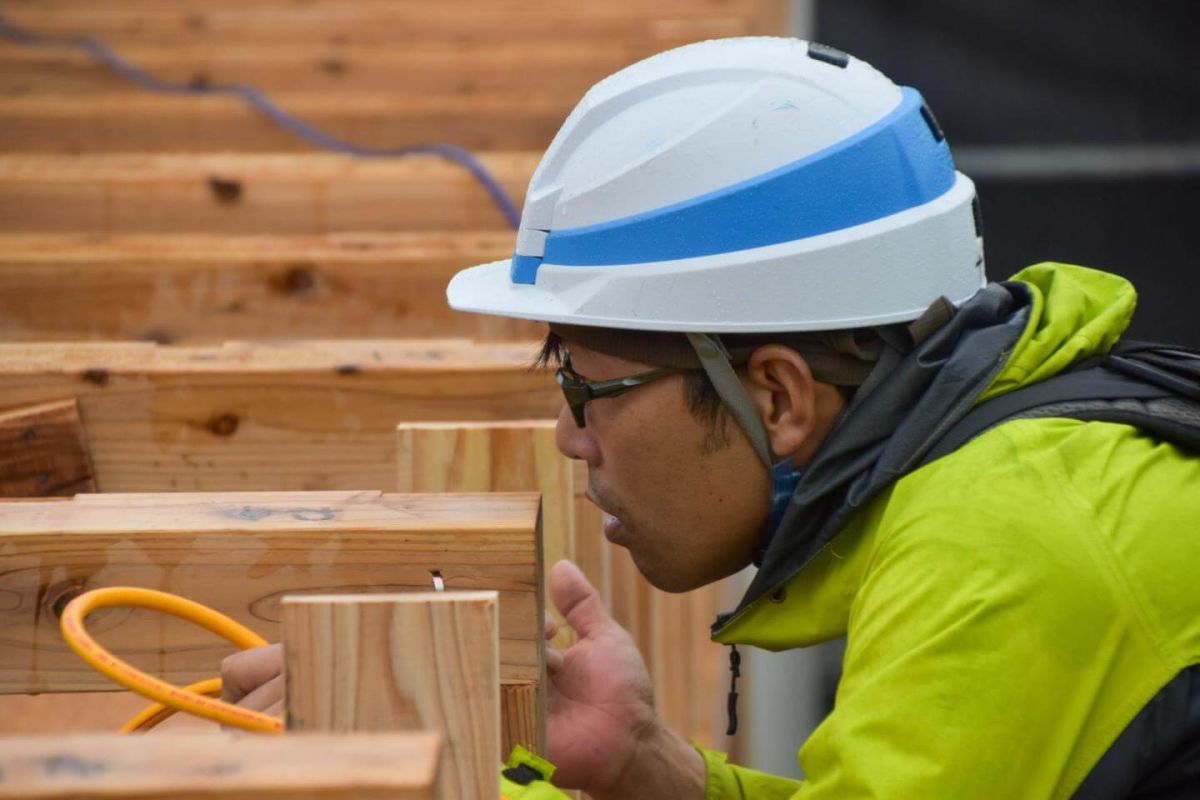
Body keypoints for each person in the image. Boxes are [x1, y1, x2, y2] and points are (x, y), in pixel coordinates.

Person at [222, 38, 1200, 798]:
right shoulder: (1002, 477)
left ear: (774, 396)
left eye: (584, 388)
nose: (568, 435)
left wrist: (450, 774)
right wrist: (641, 759)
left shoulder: (1000, 547)